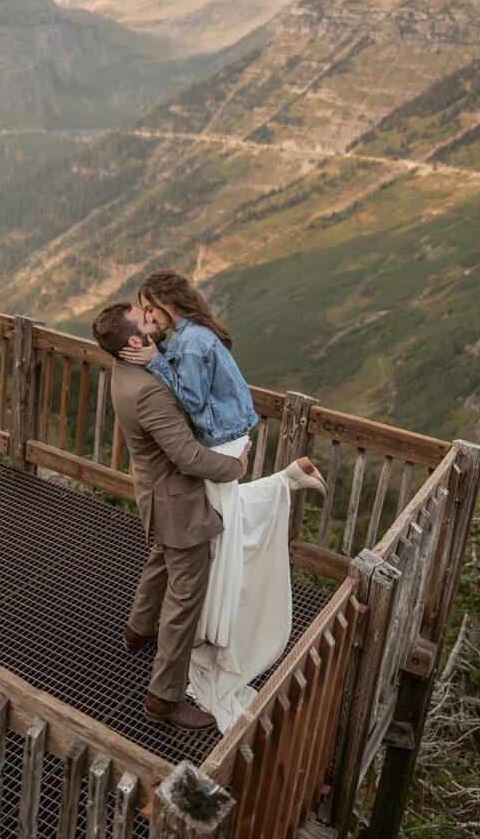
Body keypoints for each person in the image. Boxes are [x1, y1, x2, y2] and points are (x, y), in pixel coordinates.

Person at [118, 269, 327, 732]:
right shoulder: (190, 335)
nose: (148, 318)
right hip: (223, 439)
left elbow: (191, 402)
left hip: (220, 441)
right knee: (193, 532)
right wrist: (158, 355)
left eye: (150, 308)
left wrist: (154, 360)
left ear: (168, 304)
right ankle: (139, 628)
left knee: (219, 530)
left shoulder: (190, 344)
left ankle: (210, 631)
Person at [91, 301, 251, 732]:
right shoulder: (149, 391)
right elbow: (187, 456)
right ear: (133, 341)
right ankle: (164, 698)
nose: (153, 321)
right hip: (178, 504)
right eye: (145, 321)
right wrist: (234, 468)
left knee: (161, 558)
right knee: (184, 602)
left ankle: (138, 631)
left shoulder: (124, 373)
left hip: (155, 495)